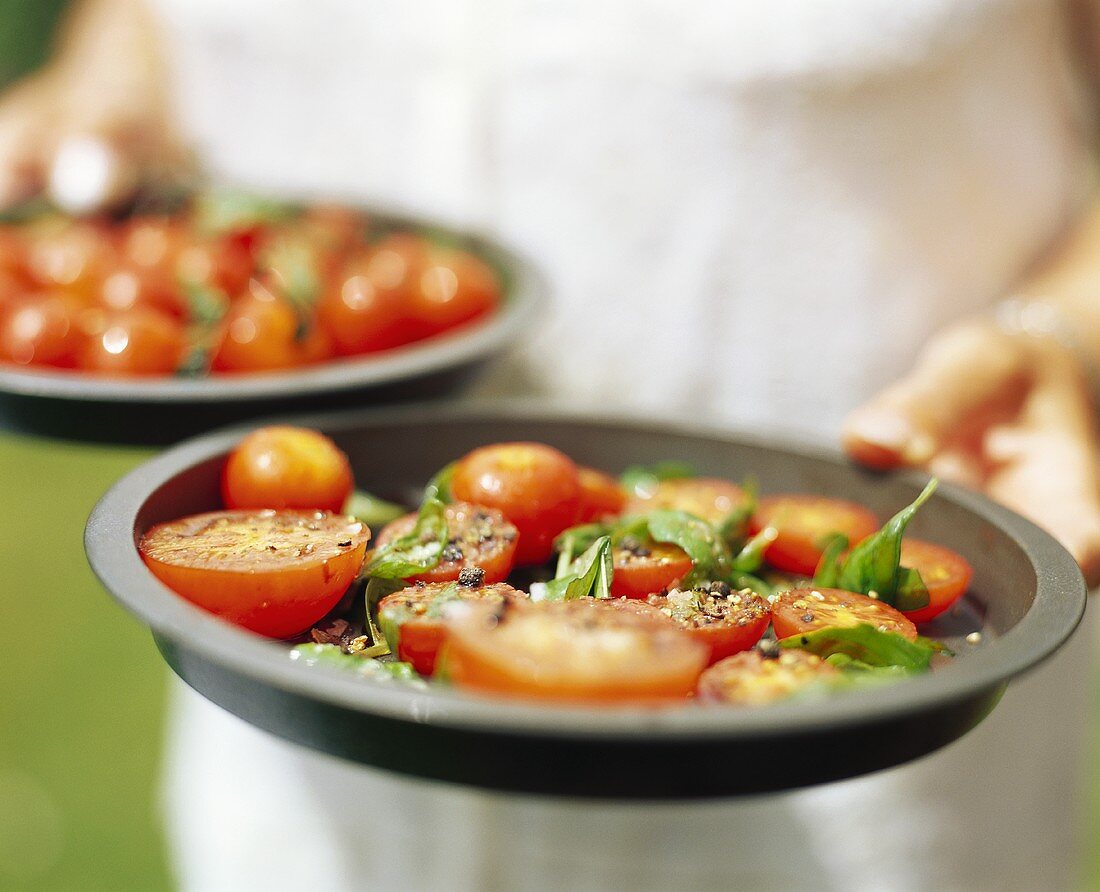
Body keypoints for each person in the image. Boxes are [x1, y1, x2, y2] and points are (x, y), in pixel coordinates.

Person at [4, 0, 1100, 888]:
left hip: (842, 811)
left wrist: (1065, 329)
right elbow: (140, 24)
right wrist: (112, 79)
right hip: (309, 747)